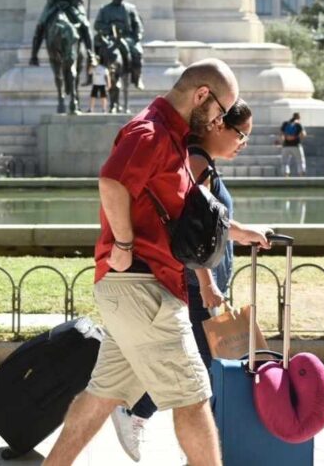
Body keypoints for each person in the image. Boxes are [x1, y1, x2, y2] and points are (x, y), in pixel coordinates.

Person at [43, 59, 270, 466]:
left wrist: (239, 232)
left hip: (138, 289)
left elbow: (184, 218)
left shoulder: (173, 137)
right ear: (202, 95)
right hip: (142, 287)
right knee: (194, 396)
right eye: (221, 111)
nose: (219, 121)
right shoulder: (151, 132)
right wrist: (125, 244)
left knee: (101, 395)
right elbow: (111, 181)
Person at [109, 100, 255, 462]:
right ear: (217, 125)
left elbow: (212, 223)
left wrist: (246, 233)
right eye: (240, 134)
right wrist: (206, 283)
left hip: (199, 282)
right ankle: (141, 414)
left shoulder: (204, 163)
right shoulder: (196, 163)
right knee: (196, 366)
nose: (243, 143)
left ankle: (180, 437)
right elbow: (189, 227)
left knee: (193, 365)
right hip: (192, 282)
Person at [279, 112, 306, 177]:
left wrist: (284, 141)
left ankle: (286, 175)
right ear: (298, 117)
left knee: (285, 162)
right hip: (296, 145)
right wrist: (298, 139)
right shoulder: (298, 124)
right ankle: (301, 175)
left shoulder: (285, 123)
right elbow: (303, 134)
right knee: (300, 161)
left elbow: (281, 134)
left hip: (286, 145)